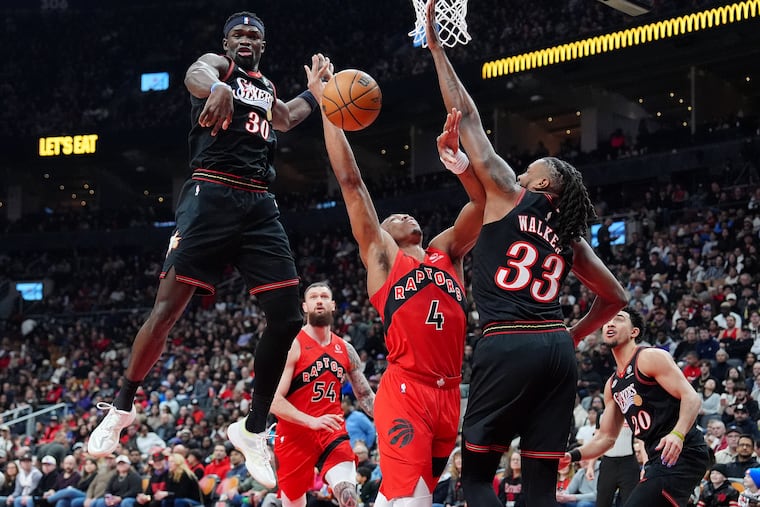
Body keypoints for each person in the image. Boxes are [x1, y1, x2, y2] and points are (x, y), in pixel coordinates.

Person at [87, 11, 327, 490]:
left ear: (263, 45)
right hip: (210, 194)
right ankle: (121, 406)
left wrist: (316, 93)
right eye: (237, 33)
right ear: (227, 42)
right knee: (166, 312)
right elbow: (195, 73)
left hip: (259, 203)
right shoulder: (218, 67)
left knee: (287, 317)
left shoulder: (265, 86)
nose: (245, 40)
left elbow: (287, 117)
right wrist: (216, 86)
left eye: (253, 35)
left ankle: (254, 428)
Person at [424, 3, 627, 506]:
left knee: (474, 478)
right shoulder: (567, 232)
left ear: (541, 184)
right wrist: (574, 334)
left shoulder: (507, 194)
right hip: (556, 351)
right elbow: (615, 296)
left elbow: (466, 115)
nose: (518, 173)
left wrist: (436, 49)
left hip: (508, 343)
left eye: (528, 169)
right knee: (539, 483)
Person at [311, 56, 486, 506]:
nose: (405, 215)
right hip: (406, 391)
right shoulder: (383, 257)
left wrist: (461, 163)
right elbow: (352, 184)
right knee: (414, 502)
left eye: (408, 215)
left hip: (450, 396)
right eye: (393, 216)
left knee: (410, 497)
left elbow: (483, 206)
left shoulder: (445, 252)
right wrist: (329, 108)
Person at [564, 308, 710, 506]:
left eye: (619, 319)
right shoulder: (612, 385)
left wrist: (678, 434)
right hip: (656, 458)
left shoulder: (649, 357)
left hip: (684, 451)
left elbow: (691, 397)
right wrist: (571, 456)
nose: (610, 323)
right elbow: (606, 438)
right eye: (607, 320)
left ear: (634, 332)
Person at [270, 282, 375, 507]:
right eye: (314, 297)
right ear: (305, 307)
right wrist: (311, 421)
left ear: (333, 305)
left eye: (325, 296)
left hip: (331, 429)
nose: (319, 300)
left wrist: (390, 419)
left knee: (349, 497)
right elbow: (274, 400)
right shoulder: (293, 345)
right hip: (294, 434)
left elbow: (366, 396)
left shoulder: (345, 349)